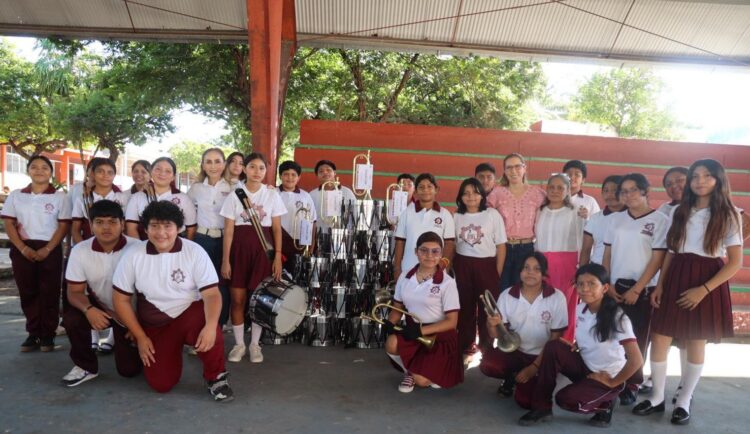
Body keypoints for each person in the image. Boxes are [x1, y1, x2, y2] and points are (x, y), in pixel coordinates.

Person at [633, 159, 742, 425]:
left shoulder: (729, 214)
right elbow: (670, 252)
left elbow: (735, 262)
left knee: (695, 340)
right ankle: (657, 397)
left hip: (707, 278)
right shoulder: (678, 211)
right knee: (660, 337)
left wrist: (703, 290)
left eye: (707, 176)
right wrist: (660, 285)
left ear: (718, 180)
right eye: (695, 176)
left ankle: (683, 400)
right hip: (676, 274)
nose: (700, 181)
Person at [112, 201, 233, 402]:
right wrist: (140, 336)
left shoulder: (194, 251)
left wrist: (212, 326)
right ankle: (166, 354)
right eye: (154, 226)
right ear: (146, 229)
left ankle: (216, 376)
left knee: (211, 330)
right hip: (155, 325)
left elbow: (212, 294)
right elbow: (120, 299)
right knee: (161, 384)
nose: (161, 233)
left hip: (188, 315)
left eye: (167, 226)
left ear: (178, 228)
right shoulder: (133, 255)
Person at [519, 263, 643, 428]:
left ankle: (606, 403)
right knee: (553, 347)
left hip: (606, 376)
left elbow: (636, 360)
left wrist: (613, 382)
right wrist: (577, 345)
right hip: (586, 366)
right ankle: (541, 408)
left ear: (605, 288)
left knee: (566, 400)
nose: (585, 289)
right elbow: (591, 336)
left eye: (591, 284)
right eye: (580, 284)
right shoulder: (580, 309)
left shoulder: (618, 318)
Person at [602, 173, 668, 405]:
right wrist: (607, 284)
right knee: (611, 336)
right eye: (624, 191)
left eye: (633, 190)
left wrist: (638, 289)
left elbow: (658, 259)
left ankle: (632, 383)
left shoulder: (660, 220)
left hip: (642, 289)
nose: (628, 195)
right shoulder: (615, 220)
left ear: (645, 192)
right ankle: (611, 378)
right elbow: (607, 253)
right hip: (615, 287)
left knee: (638, 338)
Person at [62, 200, 141, 386]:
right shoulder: (80, 250)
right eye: (99, 222)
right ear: (90, 225)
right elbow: (74, 292)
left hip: (131, 311)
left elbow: (148, 293)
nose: (106, 227)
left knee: (129, 370)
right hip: (99, 304)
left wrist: (136, 324)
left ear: (123, 224)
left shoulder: (138, 248)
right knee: (72, 318)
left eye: (112, 222)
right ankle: (85, 366)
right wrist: (88, 309)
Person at [220, 153, 286, 364]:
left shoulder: (272, 195)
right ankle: (239, 344)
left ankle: (255, 344)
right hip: (238, 252)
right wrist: (225, 260)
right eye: (252, 167)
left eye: (261, 168)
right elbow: (229, 231)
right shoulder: (235, 195)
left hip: (263, 253)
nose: (257, 172)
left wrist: (277, 256)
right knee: (237, 300)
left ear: (266, 171)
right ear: (244, 169)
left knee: (259, 300)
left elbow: (277, 229)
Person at [480, 252, 567, 408]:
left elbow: (555, 338)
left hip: (541, 356)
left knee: (526, 402)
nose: (530, 272)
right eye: (526, 268)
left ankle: (529, 378)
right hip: (515, 351)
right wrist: (491, 324)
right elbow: (496, 335)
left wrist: (534, 368)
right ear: (520, 271)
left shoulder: (557, 297)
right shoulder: (507, 295)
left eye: (536, 269)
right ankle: (511, 377)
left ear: (544, 273)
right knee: (489, 364)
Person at [3, 155, 71, 352]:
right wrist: (23, 248)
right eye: (34, 167)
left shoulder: (60, 197)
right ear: (28, 171)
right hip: (22, 248)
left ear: (51, 172)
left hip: (50, 248)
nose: (39, 170)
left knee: (50, 292)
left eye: (44, 167)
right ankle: (33, 333)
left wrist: (48, 249)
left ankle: (48, 335)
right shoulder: (16, 195)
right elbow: (9, 223)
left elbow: (63, 226)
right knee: (28, 291)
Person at [384, 231, 463, 392]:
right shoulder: (405, 277)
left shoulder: (447, 282)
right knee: (391, 343)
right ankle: (409, 371)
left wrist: (420, 331)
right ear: (416, 252)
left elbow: (452, 322)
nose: (429, 256)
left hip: (440, 336)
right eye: (424, 250)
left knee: (422, 381)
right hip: (414, 330)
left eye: (435, 251)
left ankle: (420, 373)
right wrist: (390, 323)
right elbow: (397, 309)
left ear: (441, 254)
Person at [452, 178, 507, 356]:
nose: (471, 197)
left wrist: (497, 272)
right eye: (466, 193)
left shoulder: (492, 214)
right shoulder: (456, 216)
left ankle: (486, 346)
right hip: (463, 264)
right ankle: (466, 345)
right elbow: (452, 244)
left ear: (482, 195)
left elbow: (501, 245)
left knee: (487, 307)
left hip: (487, 265)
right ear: (460, 197)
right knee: (465, 306)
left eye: (475, 192)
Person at [535, 173, 584, 341]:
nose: (555, 191)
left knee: (563, 303)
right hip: (542, 263)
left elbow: (582, 240)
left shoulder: (576, 211)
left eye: (560, 188)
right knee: (542, 301)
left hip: (566, 264)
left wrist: (580, 266)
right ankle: (542, 341)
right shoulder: (540, 210)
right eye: (551, 187)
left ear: (568, 190)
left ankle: (563, 342)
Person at [187, 148, 233, 327]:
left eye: (217, 161)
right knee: (201, 282)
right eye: (208, 162)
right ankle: (200, 325)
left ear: (224, 164)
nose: (213, 166)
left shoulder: (234, 187)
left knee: (222, 283)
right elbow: (185, 211)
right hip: (202, 239)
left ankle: (219, 326)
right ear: (203, 165)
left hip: (225, 240)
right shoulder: (196, 188)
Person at [495, 153, 546, 291]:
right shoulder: (497, 193)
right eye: (509, 167)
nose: (513, 171)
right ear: (504, 171)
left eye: (518, 166)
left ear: (525, 168)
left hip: (527, 248)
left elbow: (555, 209)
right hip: (503, 248)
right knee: (501, 288)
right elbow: (484, 213)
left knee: (523, 290)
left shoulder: (538, 193)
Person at [393, 173, 455, 281]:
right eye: (421, 187)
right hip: (409, 269)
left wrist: (441, 265)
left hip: (436, 272)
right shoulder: (406, 213)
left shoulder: (445, 214)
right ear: (416, 191)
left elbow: (449, 244)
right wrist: (397, 268)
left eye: (429, 187)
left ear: (436, 189)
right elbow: (400, 242)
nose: (425, 190)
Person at [125, 157, 197, 240]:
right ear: (151, 172)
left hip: (175, 246)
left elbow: (191, 229)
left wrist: (183, 247)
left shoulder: (183, 198)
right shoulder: (137, 197)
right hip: (145, 245)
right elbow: (131, 228)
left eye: (168, 171)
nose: (162, 173)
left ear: (173, 177)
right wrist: (141, 247)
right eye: (158, 169)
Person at [71, 157, 128, 244]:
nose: (105, 175)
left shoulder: (123, 198)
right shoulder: (82, 199)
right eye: (100, 171)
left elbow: (127, 228)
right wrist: (84, 248)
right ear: (93, 174)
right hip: (89, 247)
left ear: (114, 175)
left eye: (110, 172)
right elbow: (75, 230)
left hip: (117, 248)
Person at [277, 160, 317, 274]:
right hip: (278, 242)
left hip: (299, 243)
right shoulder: (273, 193)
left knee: (296, 275)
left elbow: (313, 222)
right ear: (280, 176)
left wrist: (311, 248)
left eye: (293, 175)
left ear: (299, 177)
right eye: (286, 174)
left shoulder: (305, 196)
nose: (290, 178)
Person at [579, 175, 625, 266]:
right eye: (606, 191)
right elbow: (586, 250)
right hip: (598, 269)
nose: (610, 194)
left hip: (623, 269)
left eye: (615, 190)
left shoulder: (632, 217)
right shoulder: (595, 218)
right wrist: (582, 271)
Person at [309, 159, 357, 233]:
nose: (325, 173)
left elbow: (355, 214)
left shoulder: (347, 192)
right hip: (319, 235)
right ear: (317, 176)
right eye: (321, 171)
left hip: (343, 235)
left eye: (328, 170)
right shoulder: (312, 195)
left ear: (334, 173)